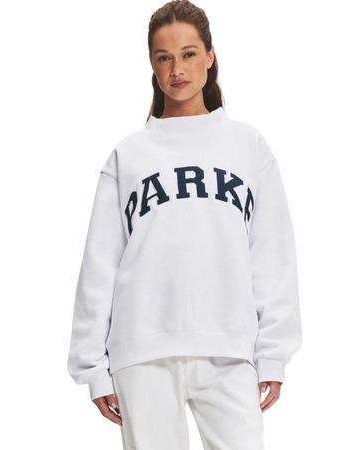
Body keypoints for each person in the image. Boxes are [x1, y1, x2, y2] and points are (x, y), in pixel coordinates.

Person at [67, 1, 302, 448]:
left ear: (210, 56)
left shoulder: (247, 145)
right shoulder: (128, 155)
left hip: (229, 347)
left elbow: (273, 255)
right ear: (152, 65)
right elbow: (100, 264)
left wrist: (273, 354)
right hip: (142, 349)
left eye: (189, 54)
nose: (177, 69)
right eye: (164, 57)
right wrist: (92, 366)